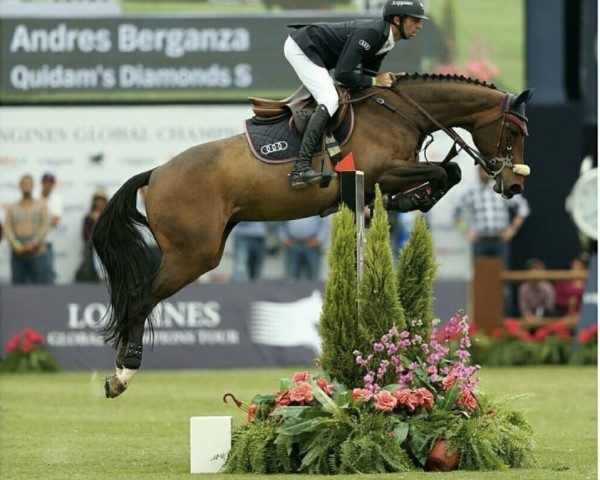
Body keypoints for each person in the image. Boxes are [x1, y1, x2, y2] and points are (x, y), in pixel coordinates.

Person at [284, 0, 429, 188]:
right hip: (302, 47)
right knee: (330, 99)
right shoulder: (373, 33)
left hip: (315, 51)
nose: (419, 25)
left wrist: (387, 80)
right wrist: (376, 81)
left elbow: (367, 77)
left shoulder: (386, 40)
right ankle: (301, 168)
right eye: (415, 20)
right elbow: (344, 75)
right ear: (396, 19)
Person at [454, 167, 530, 267]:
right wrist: (466, 232)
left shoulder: (502, 188)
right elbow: (456, 214)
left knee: (502, 276)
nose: (484, 172)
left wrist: (513, 229)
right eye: (481, 169)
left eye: (486, 169)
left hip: (500, 240)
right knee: (481, 276)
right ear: (478, 172)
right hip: (480, 241)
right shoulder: (470, 191)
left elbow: (523, 207)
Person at [3, 174, 49, 284]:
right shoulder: (13, 207)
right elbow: (7, 227)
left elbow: (45, 226)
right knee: (18, 288)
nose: (26, 186)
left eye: (28, 184)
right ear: (19, 187)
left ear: (33, 186)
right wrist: (16, 244)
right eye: (24, 184)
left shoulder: (41, 206)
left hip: (37, 252)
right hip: (18, 253)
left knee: (40, 287)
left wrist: (33, 243)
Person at [279, 216, 330, 280]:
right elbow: (280, 223)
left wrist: (319, 239)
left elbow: (324, 222)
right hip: (292, 245)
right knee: (291, 278)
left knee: (313, 278)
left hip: (312, 246)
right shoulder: (288, 205)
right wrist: (284, 238)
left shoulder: (316, 205)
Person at [76, 188, 108, 282]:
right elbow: (85, 234)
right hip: (93, 249)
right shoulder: (88, 218)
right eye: (98, 200)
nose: (99, 202)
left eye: (102, 200)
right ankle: (99, 276)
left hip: (108, 249)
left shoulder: (110, 216)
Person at [40, 172, 62, 283]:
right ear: (42, 183)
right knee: (33, 275)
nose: (48, 185)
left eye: (51, 182)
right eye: (46, 182)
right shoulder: (34, 196)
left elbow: (55, 220)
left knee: (47, 274)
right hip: (31, 243)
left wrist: (39, 219)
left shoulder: (56, 198)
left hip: (46, 243)